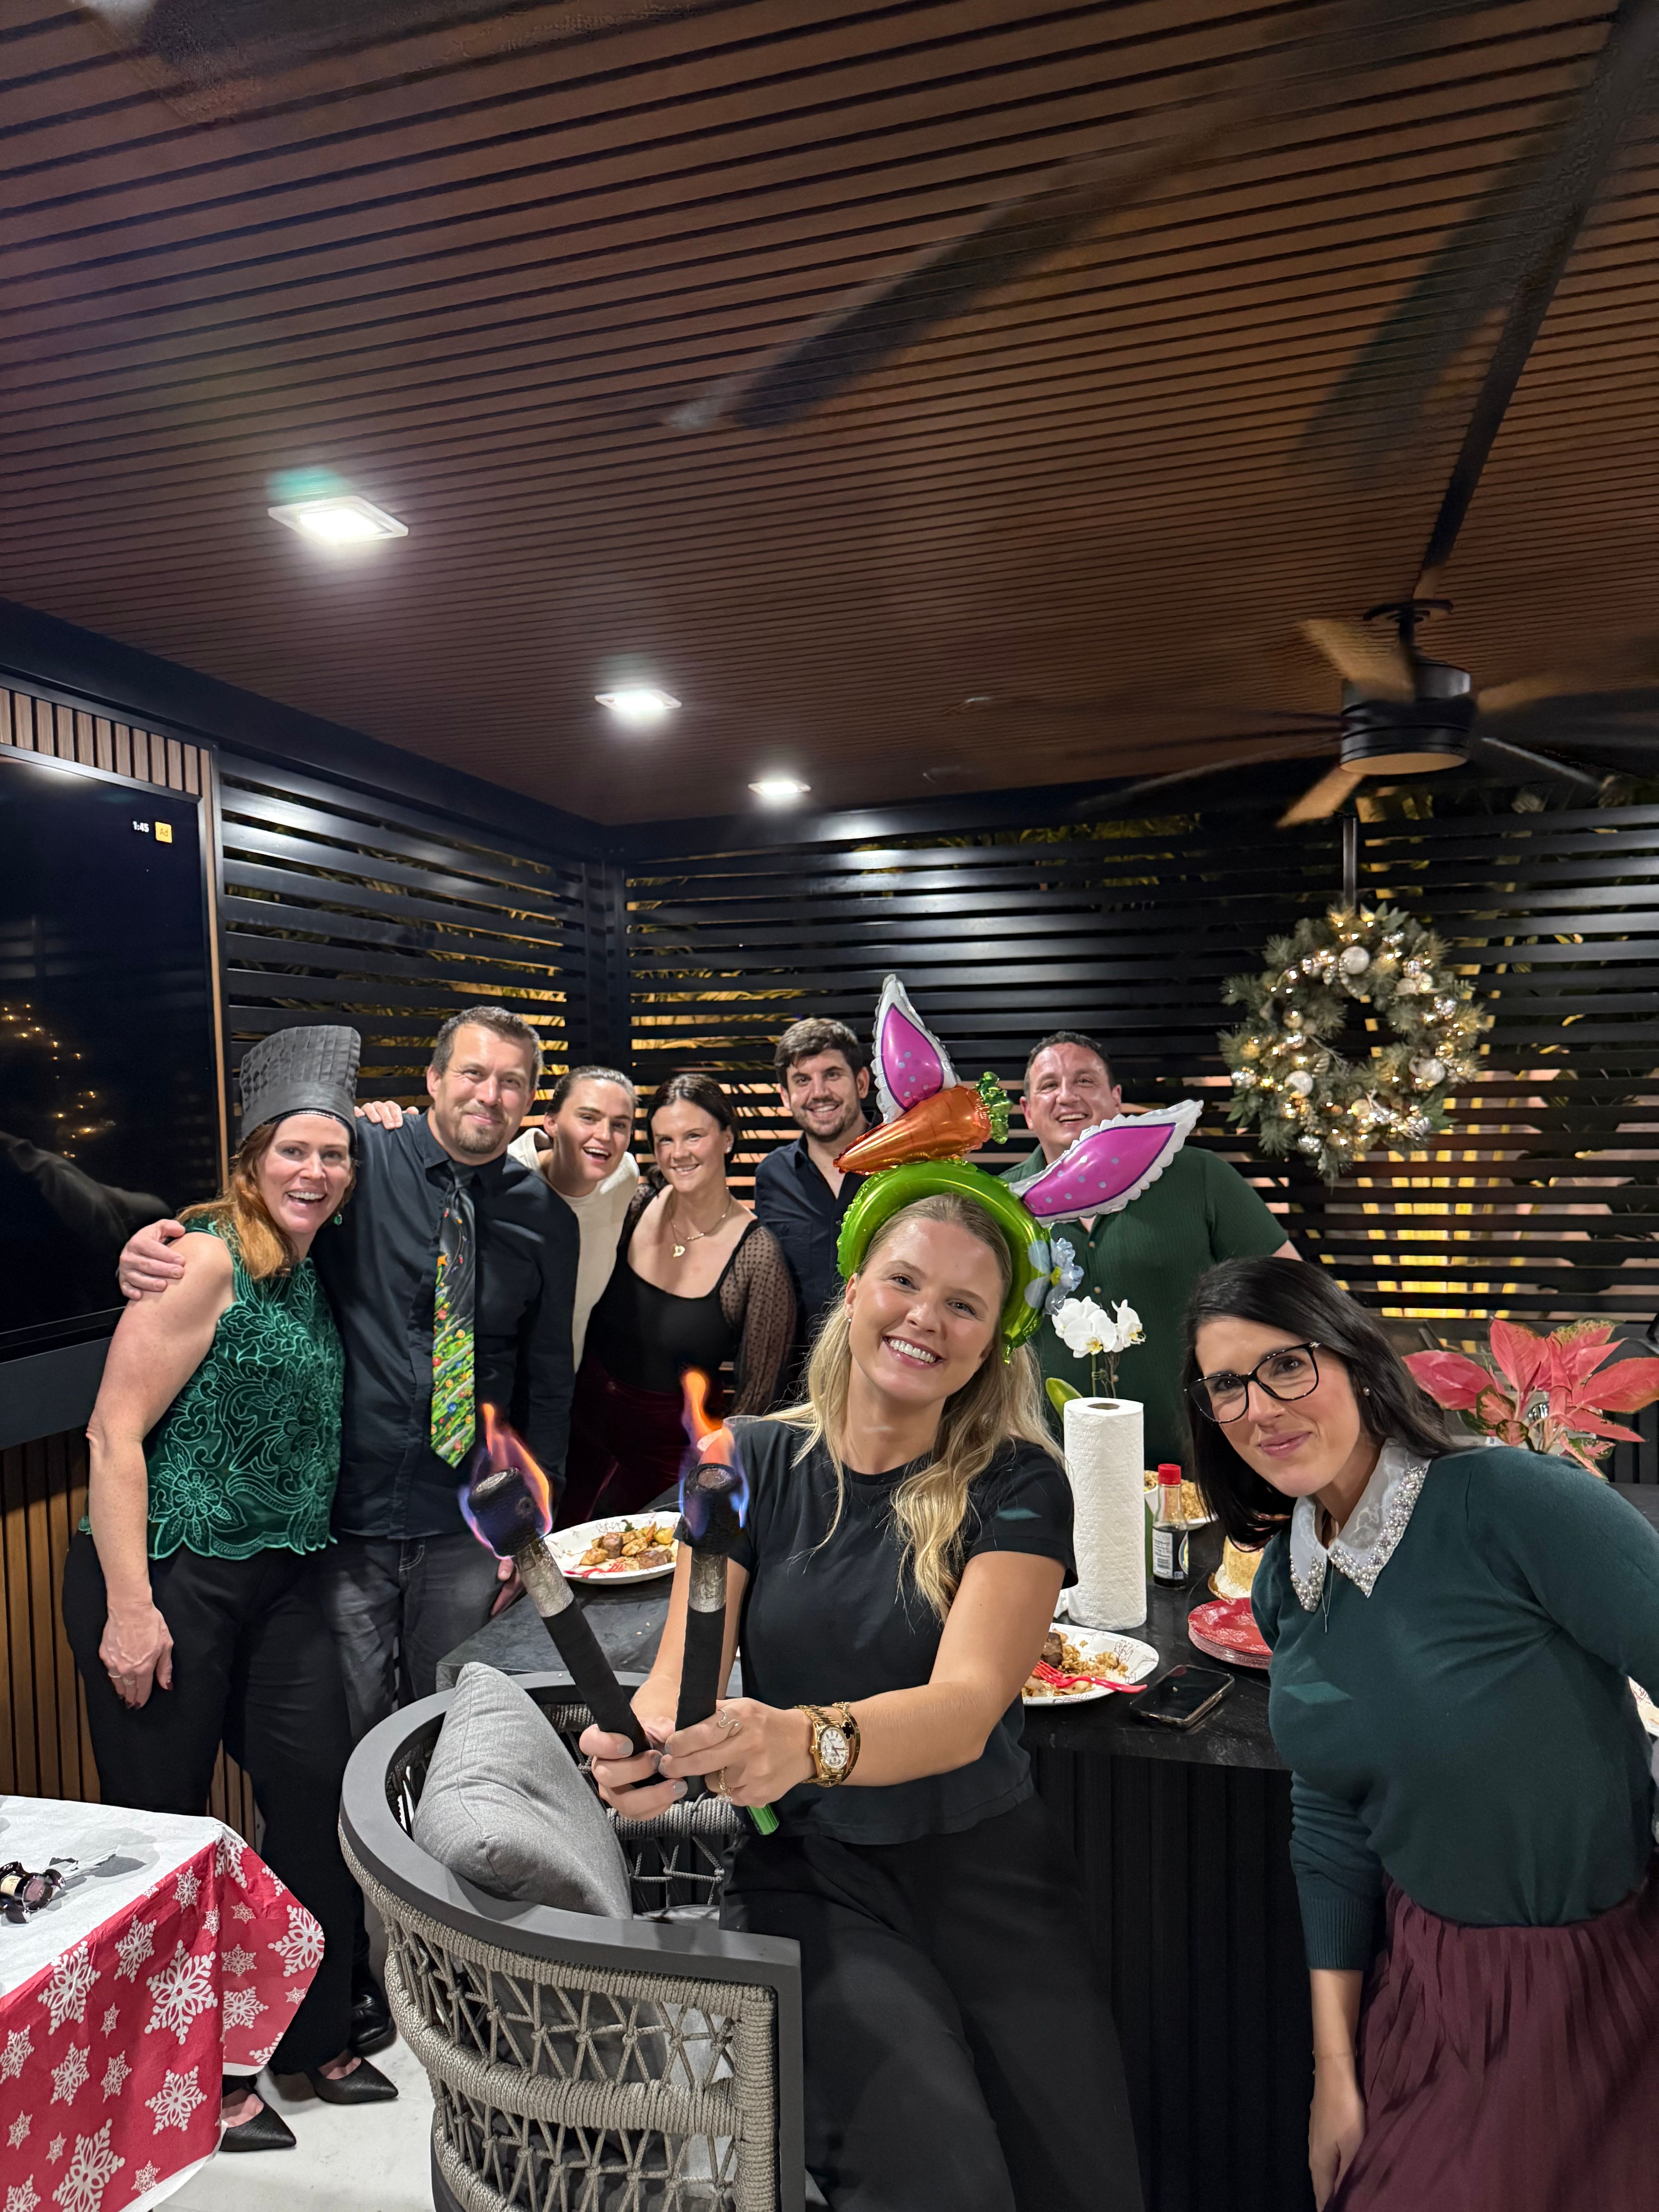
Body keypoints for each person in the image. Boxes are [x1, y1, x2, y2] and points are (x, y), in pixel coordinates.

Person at [581, 1183, 1143, 2212]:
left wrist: (802, 1739)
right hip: (810, 1880)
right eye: (904, 1281)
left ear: (990, 1346)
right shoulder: (734, 1466)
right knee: (940, 2182)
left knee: (1086, 2188)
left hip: (990, 1877)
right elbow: (682, 1679)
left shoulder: (1020, 1485)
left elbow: (967, 1703)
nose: (927, 1317)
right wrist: (648, 1752)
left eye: (964, 1306)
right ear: (853, 1292)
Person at [115, 1004, 578, 2055]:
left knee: (462, 1757)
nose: (489, 1096)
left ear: (527, 1099)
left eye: (511, 1083)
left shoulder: (536, 1211)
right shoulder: (361, 1156)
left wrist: (527, 1526)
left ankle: (460, 1976)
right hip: (344, 1535)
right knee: (360, 1772)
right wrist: (145, 1249)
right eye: (472, 1074)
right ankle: (365, 1976)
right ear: (432, 1077)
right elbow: (250, 1208)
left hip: (466, 1533)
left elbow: (545, 1383)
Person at [1186, 1257, 1659, 2211]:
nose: (1262, 1408)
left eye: (1287, 1366)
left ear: (1356, 1359)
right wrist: (1334, 2073)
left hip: (1599, 1991)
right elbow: (1329, 1819)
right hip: (1429, 1996)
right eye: (1227, 1386)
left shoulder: (1510, 1503)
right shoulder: (1286, 1582)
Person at [63, 1025, 397, 2150]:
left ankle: (304, 2034)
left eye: (334, 1152)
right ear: (253, 1158)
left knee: (315, 1790)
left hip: (280, 1578)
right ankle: (186, 2081)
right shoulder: (203, 1253)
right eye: (295, 1151)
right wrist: (127, 1602)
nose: (316, 1170)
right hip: (164, 1573)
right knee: (163, 1830)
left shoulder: (304, 1266)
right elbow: (114, 1431)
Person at [1001, 1029, 1295, 1462]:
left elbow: (1292, 1291)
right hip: (1046, 1466)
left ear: (1116, 1099)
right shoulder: (1000, 1203)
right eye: (1049, 1085)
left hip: (1206, 1457)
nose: (1067, 1096)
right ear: (1028, 1112)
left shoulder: (1199, 1175)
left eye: (1085, 1081)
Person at [556, 1072, 795, 1527]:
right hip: (576, 1438)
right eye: (664, 1140)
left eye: (693, 1136)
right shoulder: (637, 1202)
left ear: (727, 1138)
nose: (678, 1153)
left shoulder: (757, 1255)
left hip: (666, 1467)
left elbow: (757, 1402)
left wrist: (715, 1481)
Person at [358, 1062, 639, 1369]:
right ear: (551, 1122)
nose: (605, 1135)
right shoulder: (491, 1185)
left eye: (620, 1125)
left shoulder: (623, 1175)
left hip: (560, 1384)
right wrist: (383, 1131)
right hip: (472, 1389)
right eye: (588, 1118)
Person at [753, 1017, 871, 1369]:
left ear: (861, 1083)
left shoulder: (906, 1163)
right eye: (803, 1081)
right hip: (799, 1386)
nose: (819, 1092)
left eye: (832, 1075)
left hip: (890, 1380)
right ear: (786, 1097)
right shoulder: (771, 1177)